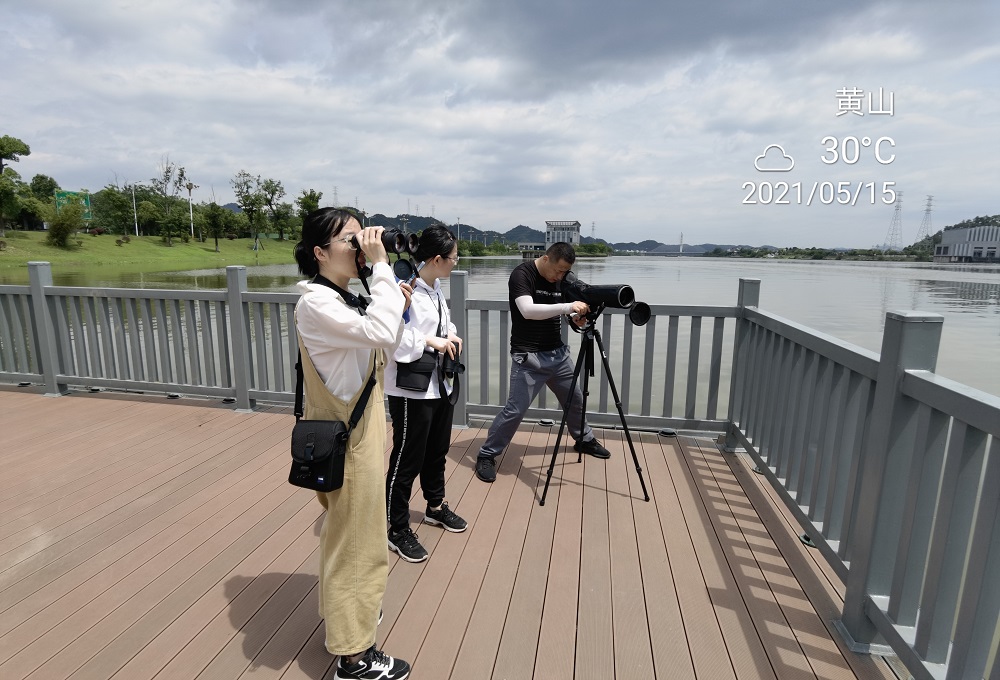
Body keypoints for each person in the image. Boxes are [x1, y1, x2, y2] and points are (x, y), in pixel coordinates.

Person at [293, 207, 411, 680]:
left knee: (346, 539)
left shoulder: (343, 299)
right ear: (320, 253)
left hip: (356, 436)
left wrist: (389, 296)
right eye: (351, 241)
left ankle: (347, 621)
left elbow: (391, 345)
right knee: (361, 548)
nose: (361, 247)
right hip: (350, 440)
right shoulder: (317, 304)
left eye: (364, 239)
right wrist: (382, 268)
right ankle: (355, 656)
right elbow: (382, 335)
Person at [475, 241, 611, 484]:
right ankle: (487, 454)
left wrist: (575, 318)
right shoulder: (522, 274)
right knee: (515, 410)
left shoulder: (564, 278)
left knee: (576, 400)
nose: (561, 276)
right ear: (546, 259)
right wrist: (567, 306)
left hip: (557, 355)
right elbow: (528, 310)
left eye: (565, 272)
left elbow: (566, 313)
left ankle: (584, 439)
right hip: (528, 357)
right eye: (558, 270)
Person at [383, 223, 468, 563]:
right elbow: (391, 337)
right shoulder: (402, 288)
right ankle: (396, 526)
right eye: (453, 258)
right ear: (436, 259)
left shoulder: (433, 288)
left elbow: (439, 323)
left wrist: (450, 333)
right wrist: (431, 341)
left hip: (438, 382)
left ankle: (435, 506)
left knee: (437, 450)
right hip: (411, 389)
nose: (456, 263)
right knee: (407, 457)